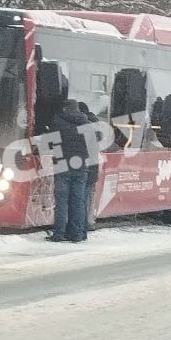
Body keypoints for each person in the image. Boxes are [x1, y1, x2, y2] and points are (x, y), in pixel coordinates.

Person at [47, 98, 89, 243]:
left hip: (63, 166)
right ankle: (76, 234)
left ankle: (59, 233)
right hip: (81, 167)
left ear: (65, 108)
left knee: (62, 202)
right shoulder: (86, 123)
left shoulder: (58, 122)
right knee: (78, 202)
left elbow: (49, 143)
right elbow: (97, 139)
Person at [78, 101, 99, 239]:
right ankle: (86, 225)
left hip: (84, 168)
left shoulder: (83, 127)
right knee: (87, 198)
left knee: (80, 199)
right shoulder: (96, 125)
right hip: (93, 168)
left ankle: (81, 226)